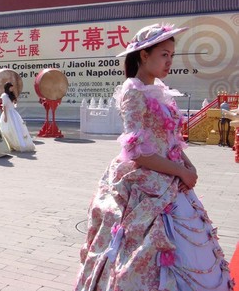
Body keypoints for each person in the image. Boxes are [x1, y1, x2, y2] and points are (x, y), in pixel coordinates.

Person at [74, 24, 233, 291]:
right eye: (164, 54)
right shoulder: (133, 90)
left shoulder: (159, 89)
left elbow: (170, 138)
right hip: (145, 181)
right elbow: (137, 151)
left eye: (172, 55)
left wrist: (187, 164)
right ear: (144, 55)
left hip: (170, 176)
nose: (169, 61)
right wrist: (181, 172)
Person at [0, 82, 35, 152]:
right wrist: (5, 116)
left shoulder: (11, 95)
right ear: (7, 88)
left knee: (17, 128)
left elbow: (13, 104)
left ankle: (17, 144)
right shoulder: (4, 95)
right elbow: (4, 106)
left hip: (13, 113)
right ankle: (9, 144)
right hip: (8, 113)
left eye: (12, 87)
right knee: (7, 129)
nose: (12, 88)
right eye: (10, 87)